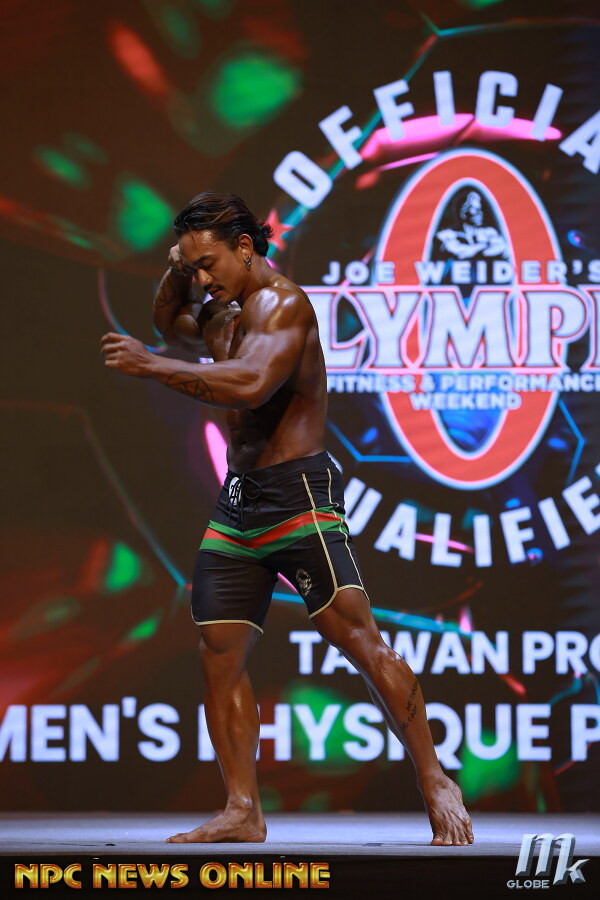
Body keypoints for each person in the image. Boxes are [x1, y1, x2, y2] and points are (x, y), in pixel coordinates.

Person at [101, 192, 474, 847]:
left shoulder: (284, 306)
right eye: (194, 268)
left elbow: (250, 384)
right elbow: (169, 324)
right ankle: (242, 808)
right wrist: (176, 270)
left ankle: (435, 778)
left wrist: (153, 367)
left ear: (245, 247)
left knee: (358, 640)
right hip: (240, 501)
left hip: (298, 496)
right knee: (219, 653)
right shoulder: (219, 307)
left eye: (210, 263)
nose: (203, 279)